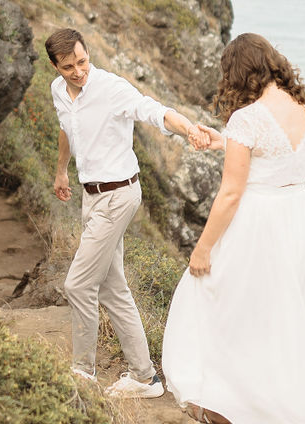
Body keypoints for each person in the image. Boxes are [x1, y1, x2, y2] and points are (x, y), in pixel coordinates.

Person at [162, 33, 305, 424]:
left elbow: (230, 193)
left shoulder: (246, 118)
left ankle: (225, 405)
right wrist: (221, 141)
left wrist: (203, 247)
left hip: (261, 221)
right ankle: (273, 399)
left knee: (218, 298)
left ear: (238, 73)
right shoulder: (303, 108)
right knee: (282, 313)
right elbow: (276, 154)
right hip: (301, 214)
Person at [46, 26, 210, 397]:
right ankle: (144, 377)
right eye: (69, 66)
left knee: (78, 283)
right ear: (55, 66)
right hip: (91, 195)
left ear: (88, 54)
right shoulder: (59, 91)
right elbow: (65, 129)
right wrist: (60, 170)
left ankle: (82, 374)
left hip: (119, 195)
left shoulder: (110, 88)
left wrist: (189, 129)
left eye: (83, 61)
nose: (79, 71)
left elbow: (153, 111)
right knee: (111, 286)